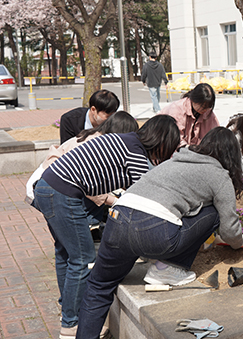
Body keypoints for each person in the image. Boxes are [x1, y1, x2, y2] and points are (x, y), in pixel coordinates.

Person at [75, 127, 243, 339]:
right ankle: (167, 268)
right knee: (213, 213)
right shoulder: (219, 175)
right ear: (231, 154)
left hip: (117, 219)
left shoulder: (174, 161)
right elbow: (229, 229)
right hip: (154, 231)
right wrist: (238, 242)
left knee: (99, 286)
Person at [32, 115, 180, 339]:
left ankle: (69, 312)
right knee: (82, 258)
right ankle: (71, 324)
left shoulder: (128, 142)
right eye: (170, 147)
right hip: (62, 193)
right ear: (162, 141)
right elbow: (147, 196)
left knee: (66, 254)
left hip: (48, 186)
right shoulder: (136, 152)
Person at [159, 82, 219, 147]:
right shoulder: (177, 110)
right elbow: (176, 140)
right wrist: (189, 149)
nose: (205, 110)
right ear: (194, 100)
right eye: (203, 107)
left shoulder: (208, 112)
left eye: (208, 107)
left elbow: (216, 134)